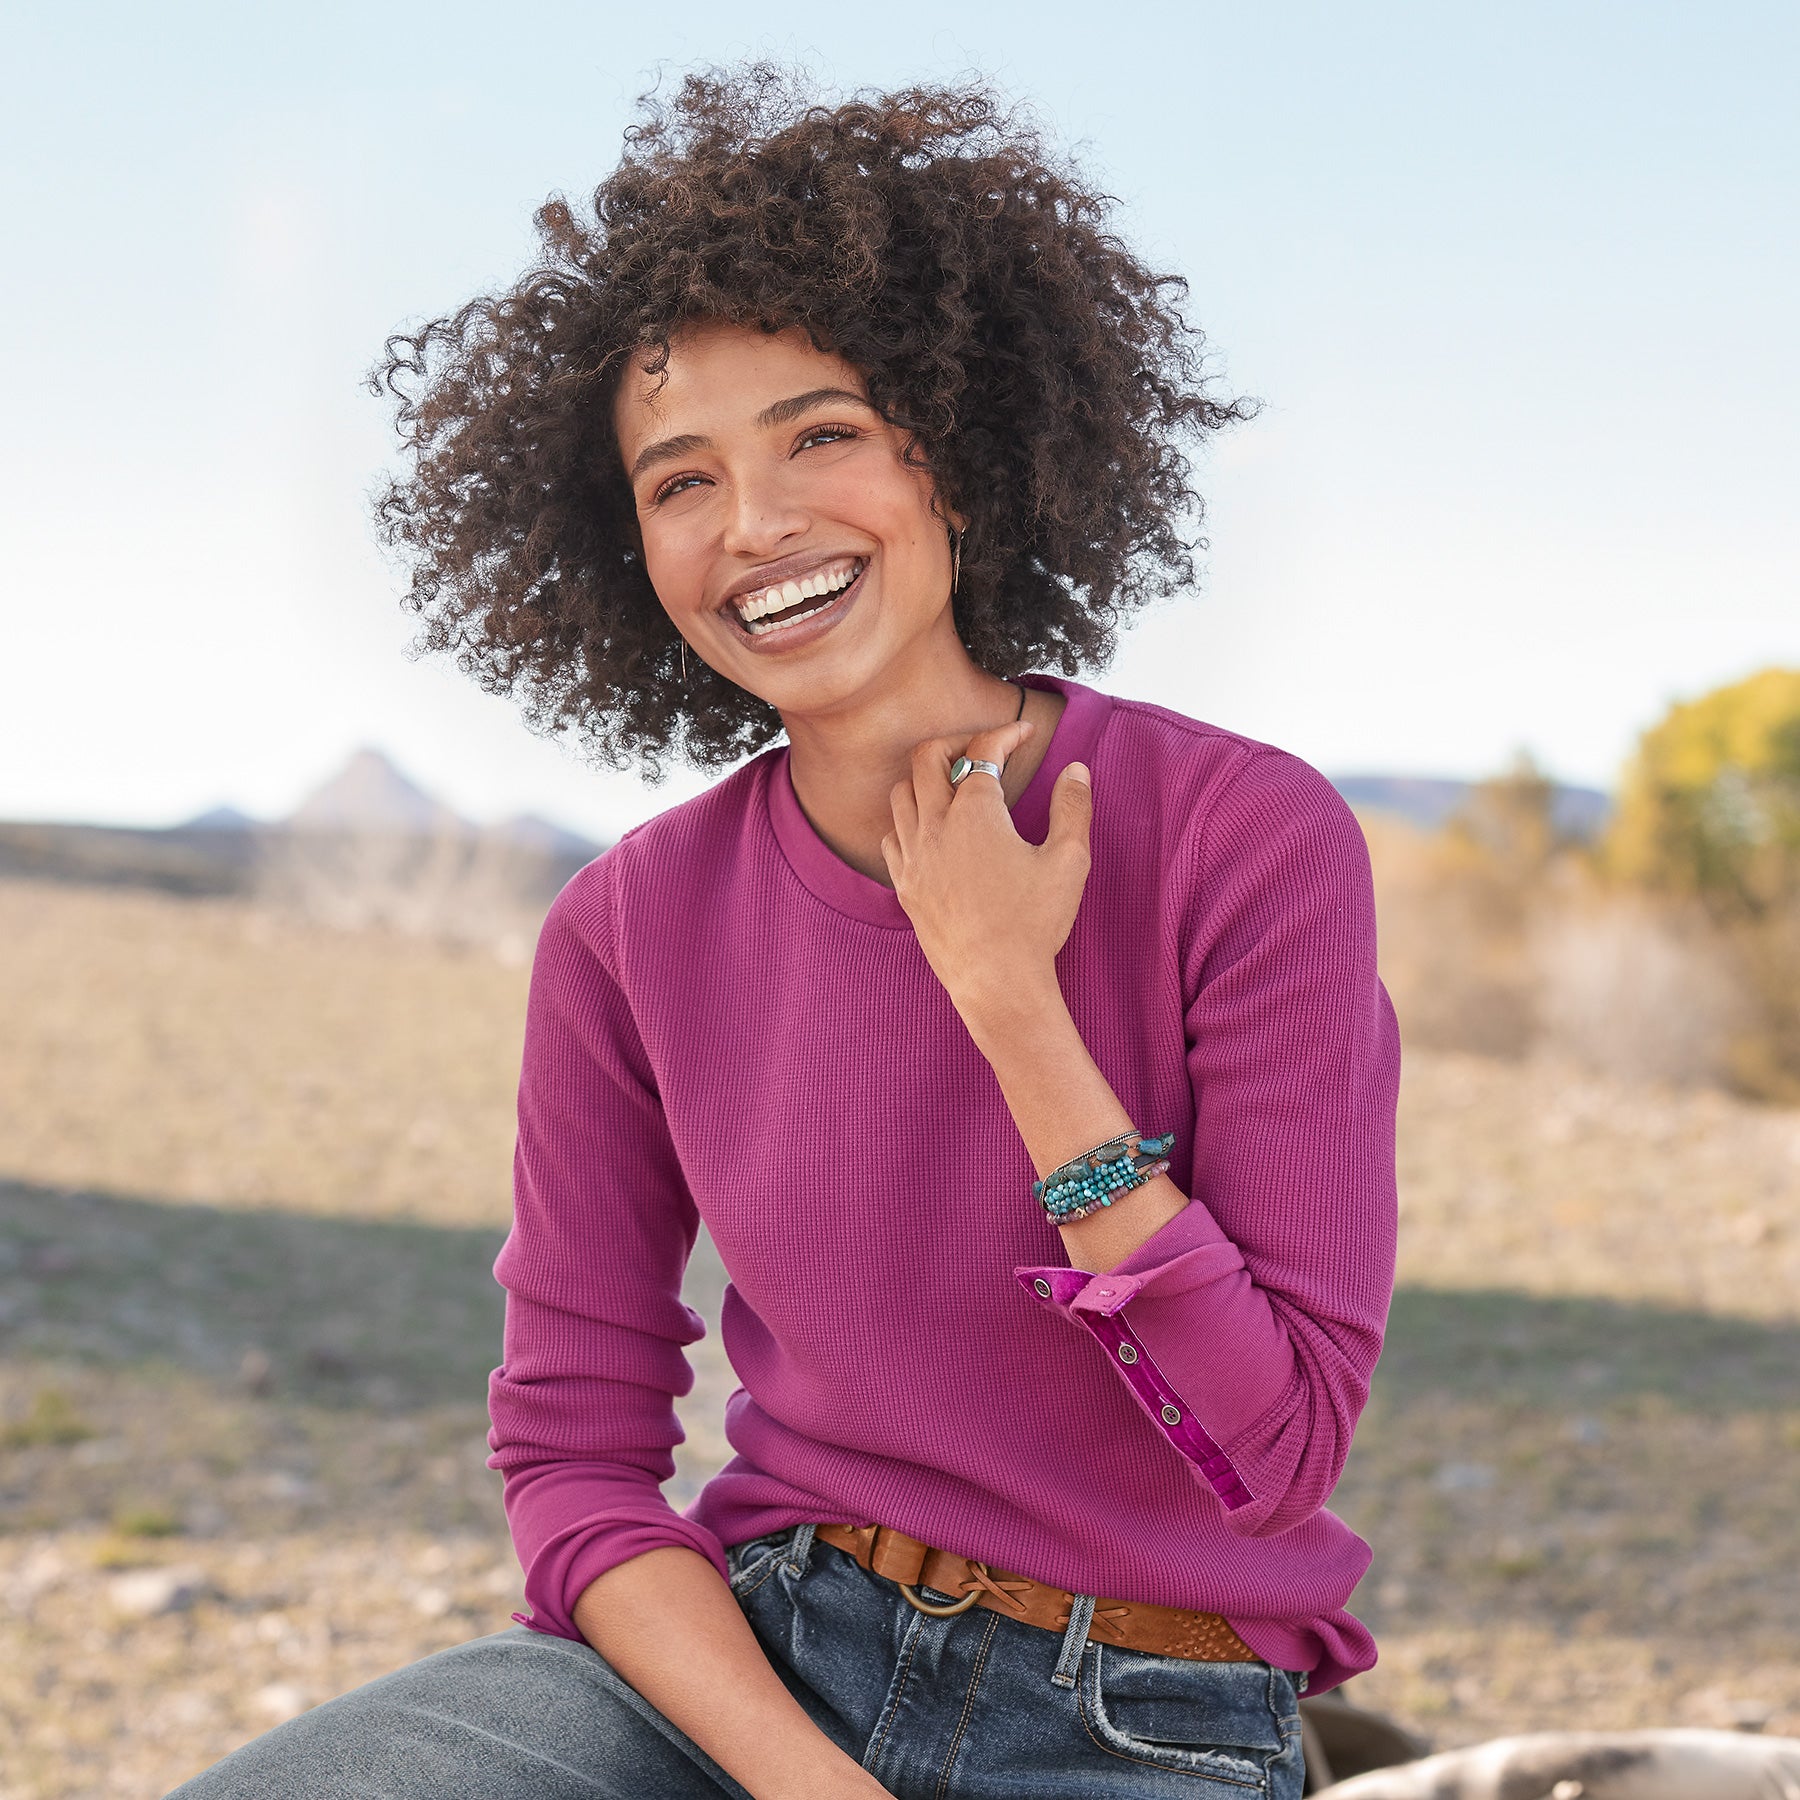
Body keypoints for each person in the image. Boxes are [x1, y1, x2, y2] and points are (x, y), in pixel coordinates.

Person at [172, 66, 1399, 1800]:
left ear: (953, 452)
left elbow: (1275, 1452)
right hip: (748, 1666)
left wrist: (1009, 1001)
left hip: (1144, 1715)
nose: (755, 527)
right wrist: (804, 1783)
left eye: (820, 435)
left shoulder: (1241, 837)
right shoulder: (628, 927)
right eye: (681, 481)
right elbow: (575, 1462)